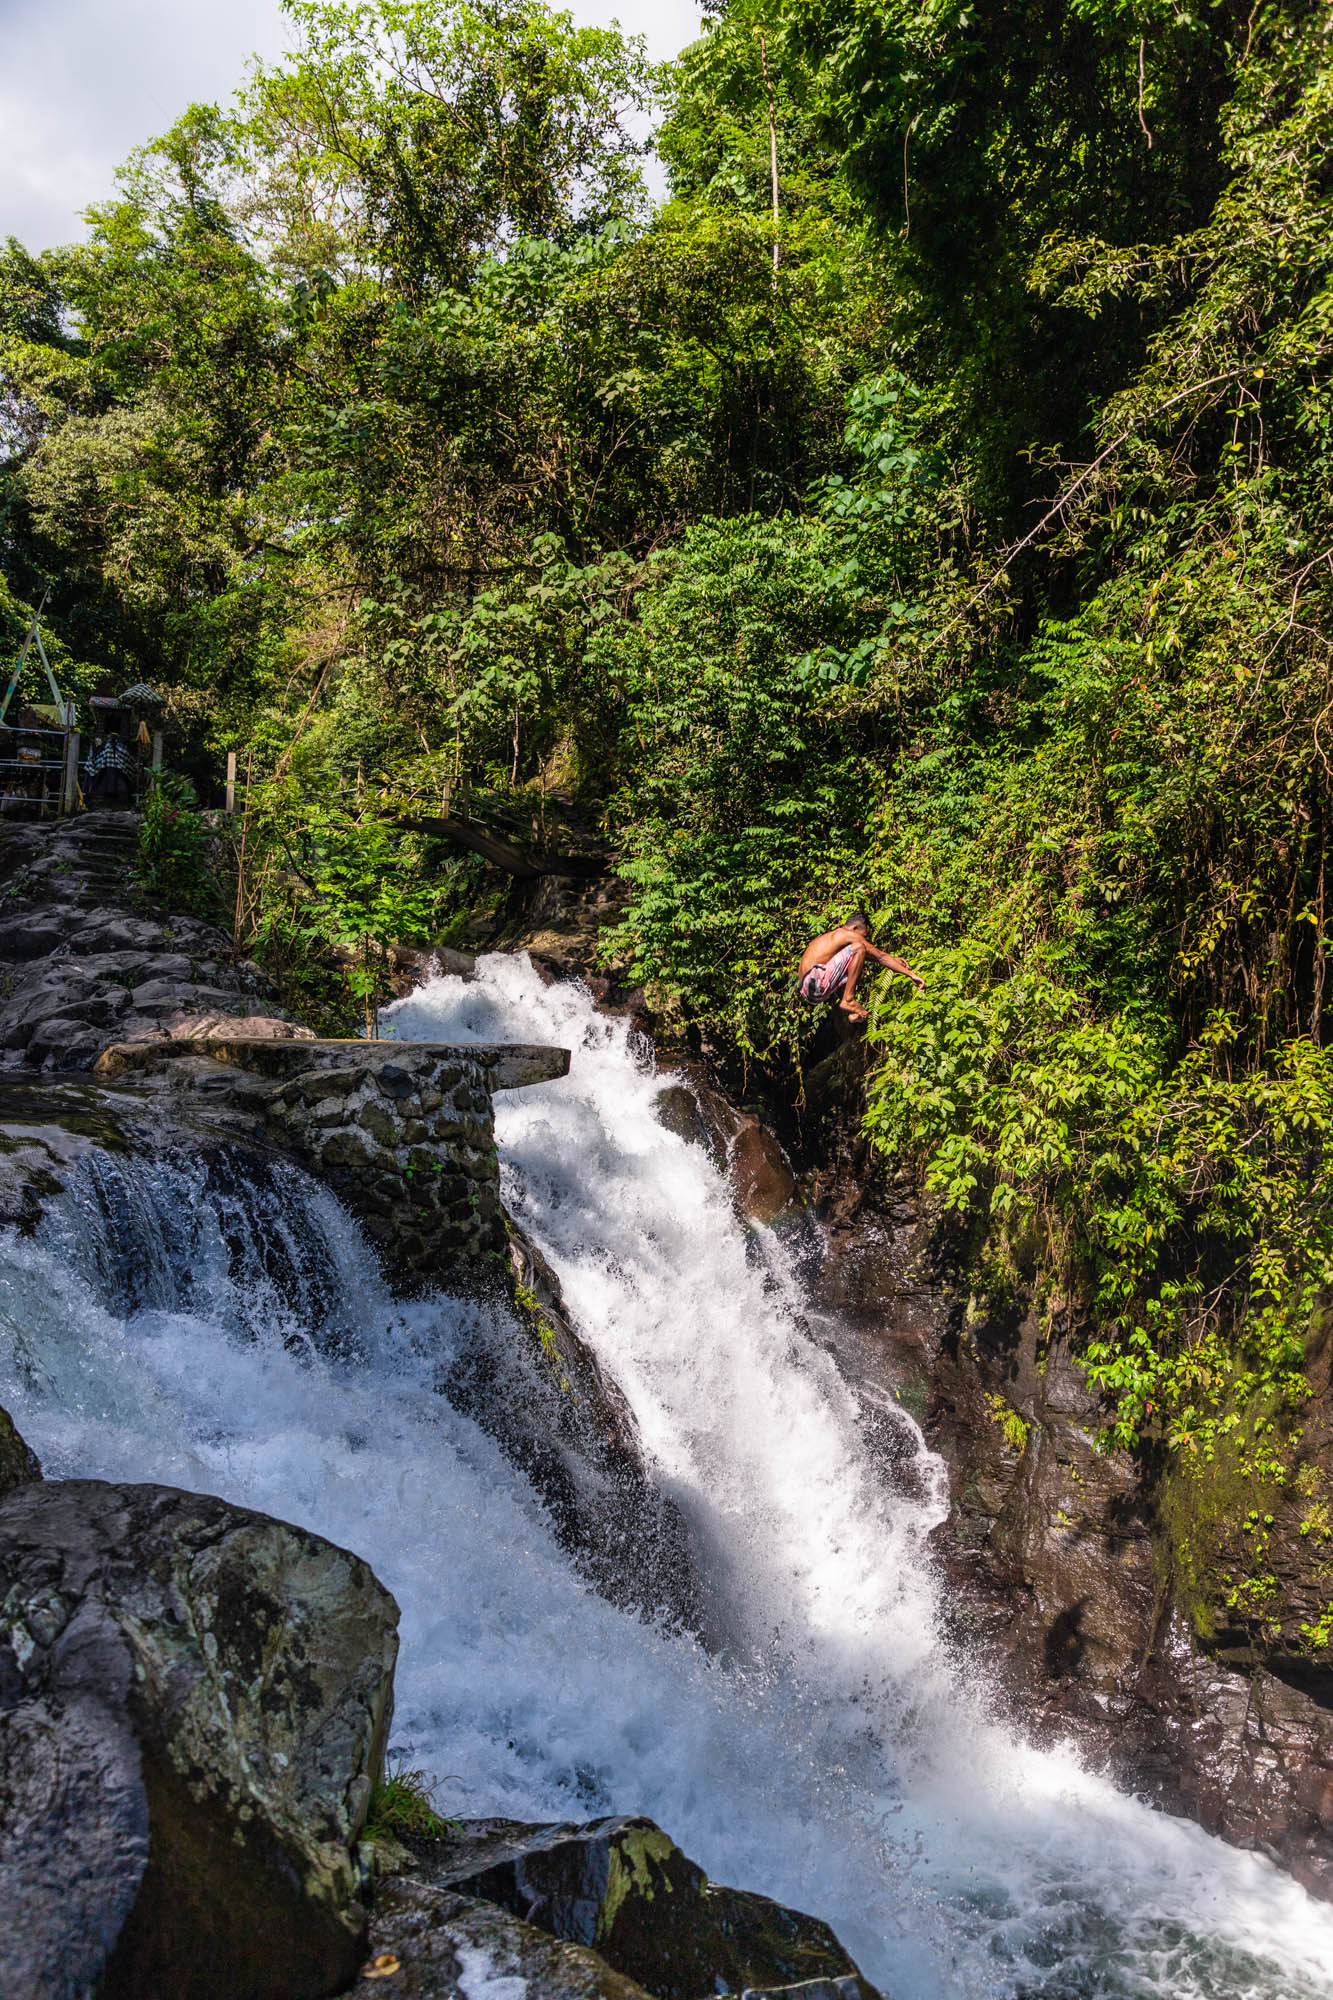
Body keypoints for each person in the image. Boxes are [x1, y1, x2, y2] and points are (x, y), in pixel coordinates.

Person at [797, 911, 923, 1023]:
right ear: (855, 927)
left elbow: (868, 956)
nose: (863, 939)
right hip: (816, 980)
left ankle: (852, 1012)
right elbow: (880, 956)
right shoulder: (846, 934)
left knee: (856, 958)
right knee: (859, 948)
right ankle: (848, 999)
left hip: (807, 990)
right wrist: (910, 974)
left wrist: (893, 960)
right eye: (863, 936)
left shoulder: (832, 938)